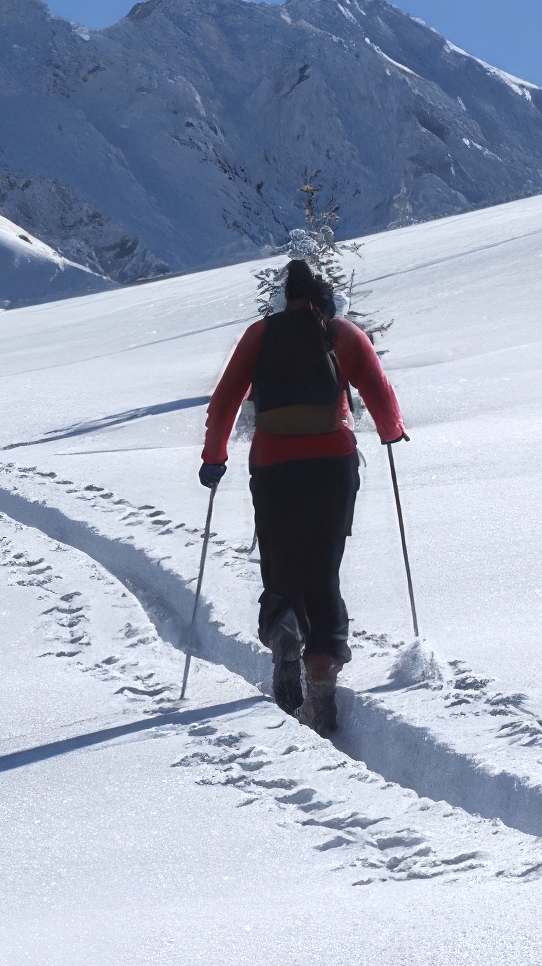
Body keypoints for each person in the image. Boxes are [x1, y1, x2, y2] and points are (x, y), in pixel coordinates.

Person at [198, 260, 407, 736]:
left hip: (274, 465)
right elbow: (378, 388)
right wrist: (393, 432)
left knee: (281, 562)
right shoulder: (343, 333)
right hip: (333, 464)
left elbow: (226, 398)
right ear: (324, 298)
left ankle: (285, 633)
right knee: (323, 568)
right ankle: (322, 678)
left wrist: (215, 458)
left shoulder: (260, 334)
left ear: (284, 298)